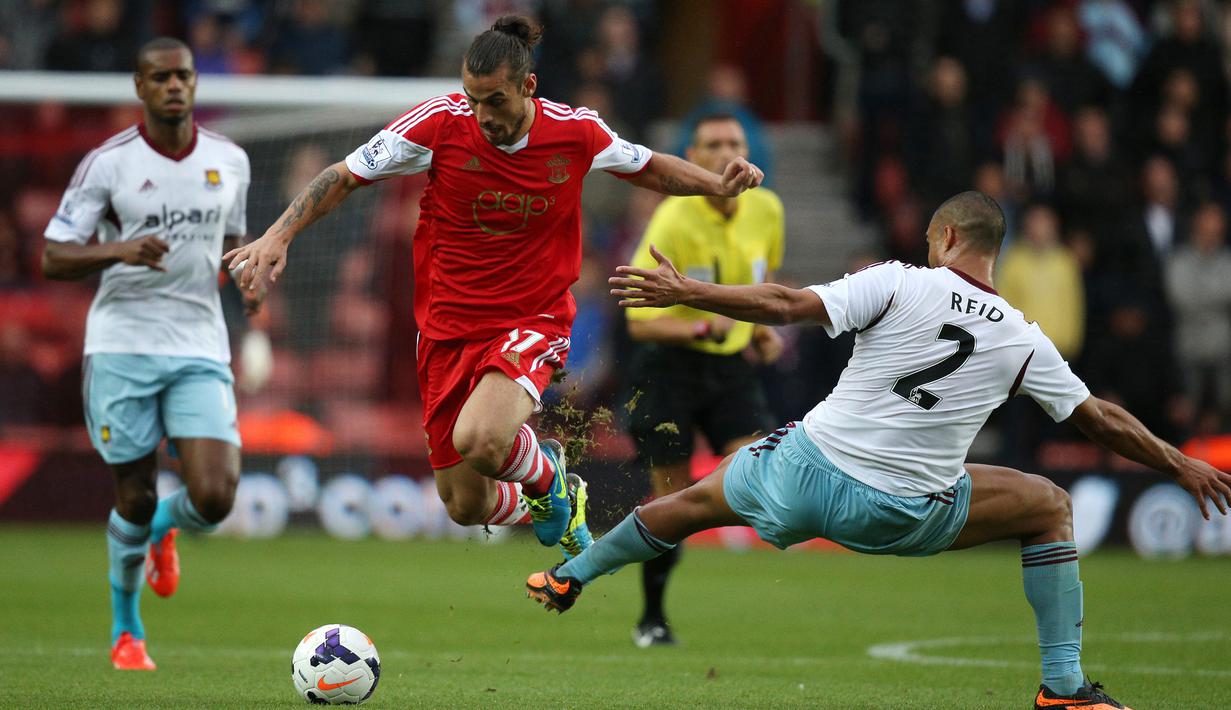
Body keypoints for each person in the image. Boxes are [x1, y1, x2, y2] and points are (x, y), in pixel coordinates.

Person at [527, 191, 1231, 710]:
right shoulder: (1022, 336)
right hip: (902, 515)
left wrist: (690, 291)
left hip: (801, 477)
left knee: (688, 503)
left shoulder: (898, 282)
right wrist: (1180, 462)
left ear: (946, 235)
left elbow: (781, 304)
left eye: (932, 240)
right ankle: (1064, 690)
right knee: (1048, 507)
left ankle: (573, 574)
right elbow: (1100, 418)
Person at [224, 16, 763, 562]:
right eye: (473, 99)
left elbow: (648, 167)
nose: (483, 116)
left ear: (528, 87)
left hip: (532, 319)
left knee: (481, 440)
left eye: (496, 101)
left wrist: (715, 183)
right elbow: (343, 175)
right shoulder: (437, 124)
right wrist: (278, 234)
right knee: (465, 503)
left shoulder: (575, 132)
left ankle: (545, 473)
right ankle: (551, 491)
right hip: (445, 329)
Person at [42, 37, 262, 671]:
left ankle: (169, 527)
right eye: (160, 77)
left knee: (216, 498)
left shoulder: (231, 160)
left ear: (196, 84)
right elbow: (54, 255)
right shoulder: (107, 164)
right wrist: (118, 249)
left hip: (197, 342)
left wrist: (247, 277)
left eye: (184, 75)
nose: (174, 86)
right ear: (139, 87)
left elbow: (231, 242)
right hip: (122, 345)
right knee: (132, 497)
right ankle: (126, 630)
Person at [623, 113, 784, 647]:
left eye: (734, 141)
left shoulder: (768, 210)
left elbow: (762, 281)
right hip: (671, 370)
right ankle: (651, 618)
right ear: (693, 158)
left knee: (752, 473)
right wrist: (698, 322)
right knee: (669, 498)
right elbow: (636, 319)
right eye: (712, 144)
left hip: (730, 368)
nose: (724, 151)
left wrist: (758, 331)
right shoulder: (672, 221)